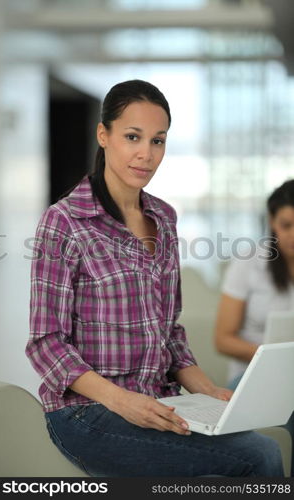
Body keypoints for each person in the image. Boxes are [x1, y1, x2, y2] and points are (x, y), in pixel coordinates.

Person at [26, 79, 283, 477]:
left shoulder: (163, 218)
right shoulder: (64, 223)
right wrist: (122, 401)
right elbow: (46, 344)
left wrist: (208, 390)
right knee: (259, 455)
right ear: (103, 135)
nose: (146, 154)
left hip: (161, 402)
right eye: (133, 137)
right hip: (88, 413)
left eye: (158, 140)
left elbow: (170, 331)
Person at [215, 178, 294, 476]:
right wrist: (275, 357)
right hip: (250, 377)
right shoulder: (249, 262)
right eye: (286, 225)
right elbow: (223, 339)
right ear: (272, 222)